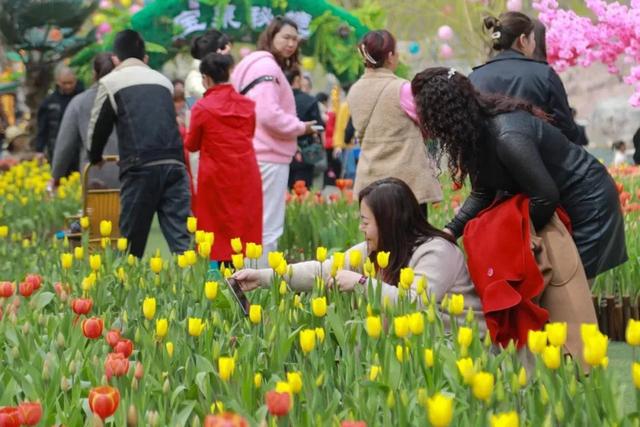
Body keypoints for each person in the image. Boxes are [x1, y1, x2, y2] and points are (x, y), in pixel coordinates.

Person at [411, 67, 627, 281]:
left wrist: (508, 233)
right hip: (560, 204)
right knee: (555, 291)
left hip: (588, 203)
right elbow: (482, 192)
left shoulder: (508, 136)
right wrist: (451, 231)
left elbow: (545, 196)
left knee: (570, 290)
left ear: (444, 115)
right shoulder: (476, 133)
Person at [233, 177, 485, 325]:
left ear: (389, 222)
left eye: (366, 222)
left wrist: (361, 283)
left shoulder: (436, 252)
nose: (361, 228)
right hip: (416, 346)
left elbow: (414, 304)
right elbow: (323, 270)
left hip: (458, 347)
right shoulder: (379, 248)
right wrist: (264, 277)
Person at [88, 30, 191, 258]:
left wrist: (94, 156)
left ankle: (127, 291)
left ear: (115, 59)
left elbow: (98, 127)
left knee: (131, 244)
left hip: (139, 166)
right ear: (145, 56)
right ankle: (195, 288)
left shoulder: (111, 82)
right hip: (175, 163)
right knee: (182, 241)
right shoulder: (163, 81)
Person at [230, 16, 316, 265]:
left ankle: (249, 276)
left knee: (254, 222)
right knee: (268, 225)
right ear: (271, 36)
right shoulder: (267, 68)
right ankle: (260, 281)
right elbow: (267, 113)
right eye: (286, 37)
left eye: (294, 39)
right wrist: (301, 127)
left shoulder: (252, 65)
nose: (291, 44)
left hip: (255, 151)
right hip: (268, 154)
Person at [347, 30, 442, 215]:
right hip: (407, 183)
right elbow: (430, 125)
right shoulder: (402, 88)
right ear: (390, 56)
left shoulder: (355, 91)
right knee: (412, 240)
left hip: (371, 180)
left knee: (381, 240)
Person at [184, 53, 262, 263]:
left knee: (215, 229)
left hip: (216, 176)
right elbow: (250, 133)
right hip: (245, 171)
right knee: (242, 227)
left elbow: (191, 145)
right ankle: (241, 276)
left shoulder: (201, 107)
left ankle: (217, 276)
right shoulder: (248, 105)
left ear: (205, 79)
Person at [469, 12, 587, 145]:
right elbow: (566, 128)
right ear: (523, 40)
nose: (534, 43)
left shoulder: (474, 77)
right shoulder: (543, 74)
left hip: (490, 162)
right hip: (540, 160)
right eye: (533, 39)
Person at [52, 53, 118, 187]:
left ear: (94, 74)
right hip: (129, 177)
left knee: (97, 208)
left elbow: (65, 145)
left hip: (95, 177)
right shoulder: (130, 98)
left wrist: (56, 176)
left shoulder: (79, 102)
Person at [36, 65, 84, 166]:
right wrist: (39, 150)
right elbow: (42, 128)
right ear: (57, 82)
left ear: (75, 80)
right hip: (56, 148)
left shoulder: (83, 98)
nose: (68, 86)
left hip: (80, 149)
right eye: (64, 83)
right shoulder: (49, 102)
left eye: (71, 83)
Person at [285, 67, 324, 189]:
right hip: (305, 153)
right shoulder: (310, 101)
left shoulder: (278, 100)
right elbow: (320, 126)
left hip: (282, 152)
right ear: (297, 80)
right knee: (304, 192)